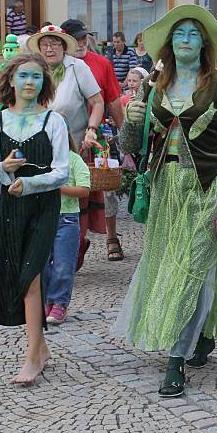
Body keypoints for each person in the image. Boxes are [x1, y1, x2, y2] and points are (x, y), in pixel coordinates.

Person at [112, 4, 217, 397]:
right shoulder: (151, 86)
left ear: (203, 43)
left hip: (208, 187)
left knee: (190, 268)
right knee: (168, 266)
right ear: (170, 43)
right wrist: (132, 119)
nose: (186, 39)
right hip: (165, 188)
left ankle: (175, 359)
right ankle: (203, 333)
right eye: (179, 33)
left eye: (193, 33)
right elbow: (126, 147)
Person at [0, 53, 70, 384]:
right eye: (23, 76)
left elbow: (61, 172)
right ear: (11, 81)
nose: (29, 82)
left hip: (43, 207)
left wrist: (30, 183)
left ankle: (32, 357)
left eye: (36, 76)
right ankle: (42, 347)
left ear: (44, 83)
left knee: (31, 276)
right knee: (18, 277)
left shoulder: (53, 122)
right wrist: (4, 171)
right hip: (11, 210)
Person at [59, 19, 125, 263]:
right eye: (76, 38)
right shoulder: (55, 66)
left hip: (96, 139)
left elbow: (113, 102)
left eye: (84, 36)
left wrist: (126, 137)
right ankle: (73, 246)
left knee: (105, 190)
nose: (82, 41)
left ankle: (110, 236)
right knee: (73, 197)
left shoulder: (101, 63)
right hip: (63, 143)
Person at [26, 25, 104, 151]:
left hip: (74, 146)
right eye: (44, 45)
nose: (49, 49)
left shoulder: (77, 67)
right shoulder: (35, 70)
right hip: (39, 144)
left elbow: (97, 102)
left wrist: (91, 130)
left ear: (64, 47)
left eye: (54, 44)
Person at [44, 133, 91, 324]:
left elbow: (84, 189)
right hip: (44, 219)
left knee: (63, 265)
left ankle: (59, 303)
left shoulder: (74, 160)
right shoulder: (41, 160)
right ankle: (47, 300)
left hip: (67, 219)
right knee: (42, 264)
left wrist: (58, 188)